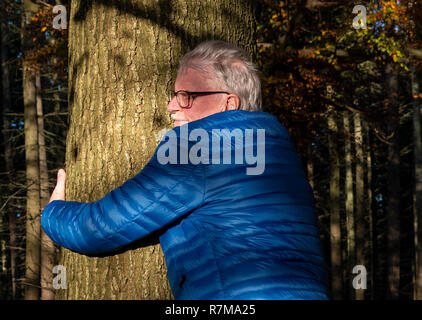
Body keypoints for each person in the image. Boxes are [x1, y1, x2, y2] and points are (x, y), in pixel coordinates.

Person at [42, 40, 330, 300]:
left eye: (186, 96)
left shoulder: (196, 148)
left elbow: (99, 229)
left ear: (228, 103)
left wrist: (54, 212)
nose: (171, 106)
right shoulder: (278, 152)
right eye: (175, 94)